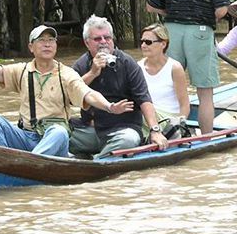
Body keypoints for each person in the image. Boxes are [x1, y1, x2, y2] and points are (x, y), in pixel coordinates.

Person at [0, 24, 132, 157]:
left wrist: (109, 107)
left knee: (59, 132)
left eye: (51, 40)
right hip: (27, 136)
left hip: (52, 139)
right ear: (31, 47)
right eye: (41, 40)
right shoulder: (22, 70)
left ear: (56, 46)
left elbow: (88, 94)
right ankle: (1, 160)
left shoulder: (66, 73)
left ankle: (28, 164)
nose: (47, 44)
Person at [146, 0, 229, 134]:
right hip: (200, 32)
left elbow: (151, 6)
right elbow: (222, 10)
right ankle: (206, 139)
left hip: (170, 32)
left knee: (169, 86)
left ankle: (163, 133)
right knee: (205, 94)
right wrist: (203, 15)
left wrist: (171, 13)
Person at [71, 15, 168, 158]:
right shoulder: (81, 64)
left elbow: (144, 99)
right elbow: (68, 96)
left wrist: (155, 130)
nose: (103, 42)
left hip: (122, 130)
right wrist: (92, 73)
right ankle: (95, 156)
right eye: (97, 39)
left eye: (107, 38)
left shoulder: (127, 63)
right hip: (91, 130)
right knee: (59, 133)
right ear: (87, 43)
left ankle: (96, 161)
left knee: (129, 140)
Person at [137, 23, 190, 136]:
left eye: (148, 42)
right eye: (142, 41)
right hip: (147, 115)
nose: (143, 45)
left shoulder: (174, 68)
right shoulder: (138, 67)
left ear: (163, 44)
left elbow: (184, 105)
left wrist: (179, 126)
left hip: (167, 119)